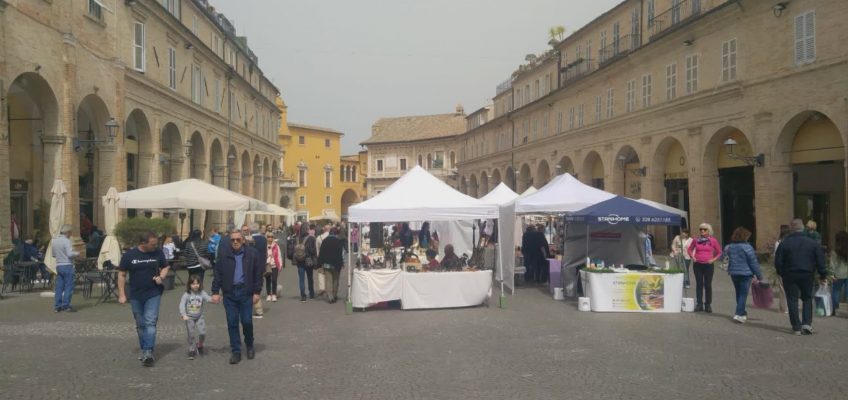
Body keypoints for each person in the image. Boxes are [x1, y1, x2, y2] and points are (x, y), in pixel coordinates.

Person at [211, 229, 264, 364]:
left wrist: (257, 292)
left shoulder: (252, 254)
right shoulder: (223, 255)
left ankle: (249, 344)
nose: (235, 242)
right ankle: (236, 350)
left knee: (246, 321)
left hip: (246, 292)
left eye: (238, 239)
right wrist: (215, 292)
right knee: (232, 322)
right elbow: (218, 274)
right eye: (232, 240)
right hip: (230, 293)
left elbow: (258, 273)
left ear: (243, 240)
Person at [117, 231, 169, 367]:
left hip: (153, 293)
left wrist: (161, 277)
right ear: (143, 243)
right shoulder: (129, 256)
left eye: (156, 244)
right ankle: (145, 348)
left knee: (150, 322)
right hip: (135, 294)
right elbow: (122, 274)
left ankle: (148, 351)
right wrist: (122, 294)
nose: (155, 246)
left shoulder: (158, 253)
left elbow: (165, 267)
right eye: (152, 244)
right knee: (140, 324)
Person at [775, 219, 827, 335]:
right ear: (803, 228)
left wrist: (782, 273)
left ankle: (796, 327)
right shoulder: (812, 243)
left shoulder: (784, 243)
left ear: (791, 229)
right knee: (807, 298)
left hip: (790, 274)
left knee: (792, 299)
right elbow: (820, 260)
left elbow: (778, 262)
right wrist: (823, 274)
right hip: (807, 273)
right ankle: (807, 324)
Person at [723, 227, 764, 323]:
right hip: (746, 274)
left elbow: (723, 257)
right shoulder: (747, 247)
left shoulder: (729, 247)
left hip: (734, 273)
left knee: (739, 293)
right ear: (744, 237)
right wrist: (759, 276)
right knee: (743, 294)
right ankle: (738, 313)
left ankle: (742, 313)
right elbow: (753, 263)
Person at [687, 223, 722, 313]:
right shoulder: (696, 240)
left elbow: (719, 252)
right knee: (699, 284)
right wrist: (693, 257)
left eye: (704, 229)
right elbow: (689, 249)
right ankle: (699, 304)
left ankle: (708, 304)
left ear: (709, 231)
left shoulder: (713, 241)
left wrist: (713, 259)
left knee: (708, 285)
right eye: (701, 229)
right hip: (697, 264)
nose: (702, 231)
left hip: (708, 265)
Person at [179, 275, 213, 360]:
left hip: (199, 316)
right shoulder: (186, 294)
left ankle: (200, 344)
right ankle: (192, 349)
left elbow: (208, 298)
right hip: (189, 317)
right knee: (191, 334)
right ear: (189, 285)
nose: (196, 285)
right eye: (193, 284)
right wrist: (183, 314)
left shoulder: (201, 293)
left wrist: (214, 299)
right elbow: (181, 305)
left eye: (197, 283)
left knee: (202, 332)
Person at [52, 224, 79, 313]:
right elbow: (69, 254)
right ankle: (66, 305)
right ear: (67, 232)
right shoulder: (66, 241)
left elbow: (53, 254)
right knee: (68, 286)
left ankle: (57, 305)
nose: (71, 234)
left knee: (59, 287)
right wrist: (77, 253)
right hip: (67, 265)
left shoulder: (54, 241)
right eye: (70, 232)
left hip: (59, 265)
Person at [244, 223, 268, 319]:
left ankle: (258, 310)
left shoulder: (249, 240)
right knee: (257, 286)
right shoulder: (263, 239)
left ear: (250, 230)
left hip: (251, 265)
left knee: (251, 287)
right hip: (261, 265)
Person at [317, 227, 345, 303]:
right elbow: (342, 253)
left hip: (327, 264)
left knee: (328, 280)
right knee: (336, 280)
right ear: (336, 233)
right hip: (336, 264)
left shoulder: (325, 241)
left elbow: (321, 253)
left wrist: (320, 264)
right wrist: (342, 263)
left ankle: (330, 297)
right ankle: (335, 295)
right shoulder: (338, 241)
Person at [293, 225, 317, 302]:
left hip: (299, 261)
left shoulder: (297, 238)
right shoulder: (311, 238)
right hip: (308, 260)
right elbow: (313, 251)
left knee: (301, 279)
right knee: (310, 278)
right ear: (307, 230)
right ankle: (311, 294)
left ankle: (303, 296)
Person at [265, 232, 282, 302]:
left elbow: (279, 256)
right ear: (267, 238)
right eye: (269, 237)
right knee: (268, 280)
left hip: (274, 265)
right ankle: (269, 294)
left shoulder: (276, 246)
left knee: (274, 280)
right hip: (267, 265)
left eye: (271, 237)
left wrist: (280, 265)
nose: (270, 238)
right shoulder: (264, 246)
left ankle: (274, 294)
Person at [315, 224, 330, 296]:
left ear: (324, 229)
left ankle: (322, 288)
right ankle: (328, 288)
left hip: (321, 258)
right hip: (329, 257)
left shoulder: (318, 238)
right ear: (329, 229)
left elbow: (317, 249)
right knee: (329, 273)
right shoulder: (331, 237)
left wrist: (318, 257)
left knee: (321, 272)